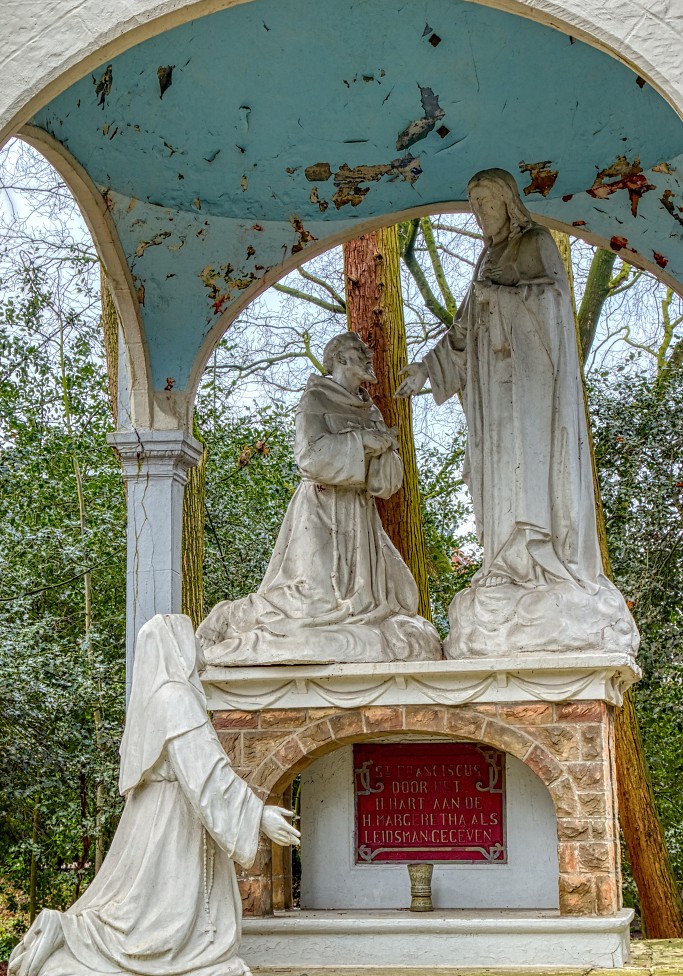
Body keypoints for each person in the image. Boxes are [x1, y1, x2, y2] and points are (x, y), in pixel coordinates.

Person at [396, 168, 639, 658]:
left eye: (486, 204)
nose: (480, 214)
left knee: (530, 471)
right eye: (474, 207)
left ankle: (540, 561)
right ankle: (505, 564)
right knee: (498, 475)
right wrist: (426, 369)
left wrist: (504, 297)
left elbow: (552, 303)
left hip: (531, 394)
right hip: (494, 397)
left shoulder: (536, 243)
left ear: (508, 202)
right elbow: (463, 331)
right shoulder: (486, 258)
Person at [9, 614, 300, 976]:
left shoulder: (160, 697)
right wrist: (258, 816)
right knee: (159, 909)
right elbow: (205, 772)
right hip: (172, 817)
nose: (199, 646)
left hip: (160, 811)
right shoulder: (175, 697)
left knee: (152, 902)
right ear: (176, 646)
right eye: (191, 638)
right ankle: (88, 940)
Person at [198, 332, 442, 664]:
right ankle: (228, 617)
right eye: (359, 350)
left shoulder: (370, 410)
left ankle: (358, 623)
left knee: (381, 598)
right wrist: (363, 442)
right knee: (309, 598)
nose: (368, 355)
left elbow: (385, 483)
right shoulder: (315, 399)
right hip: (321, 510)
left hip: (359, 512)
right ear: (339, 359)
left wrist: (386, 452)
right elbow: (309, 458)